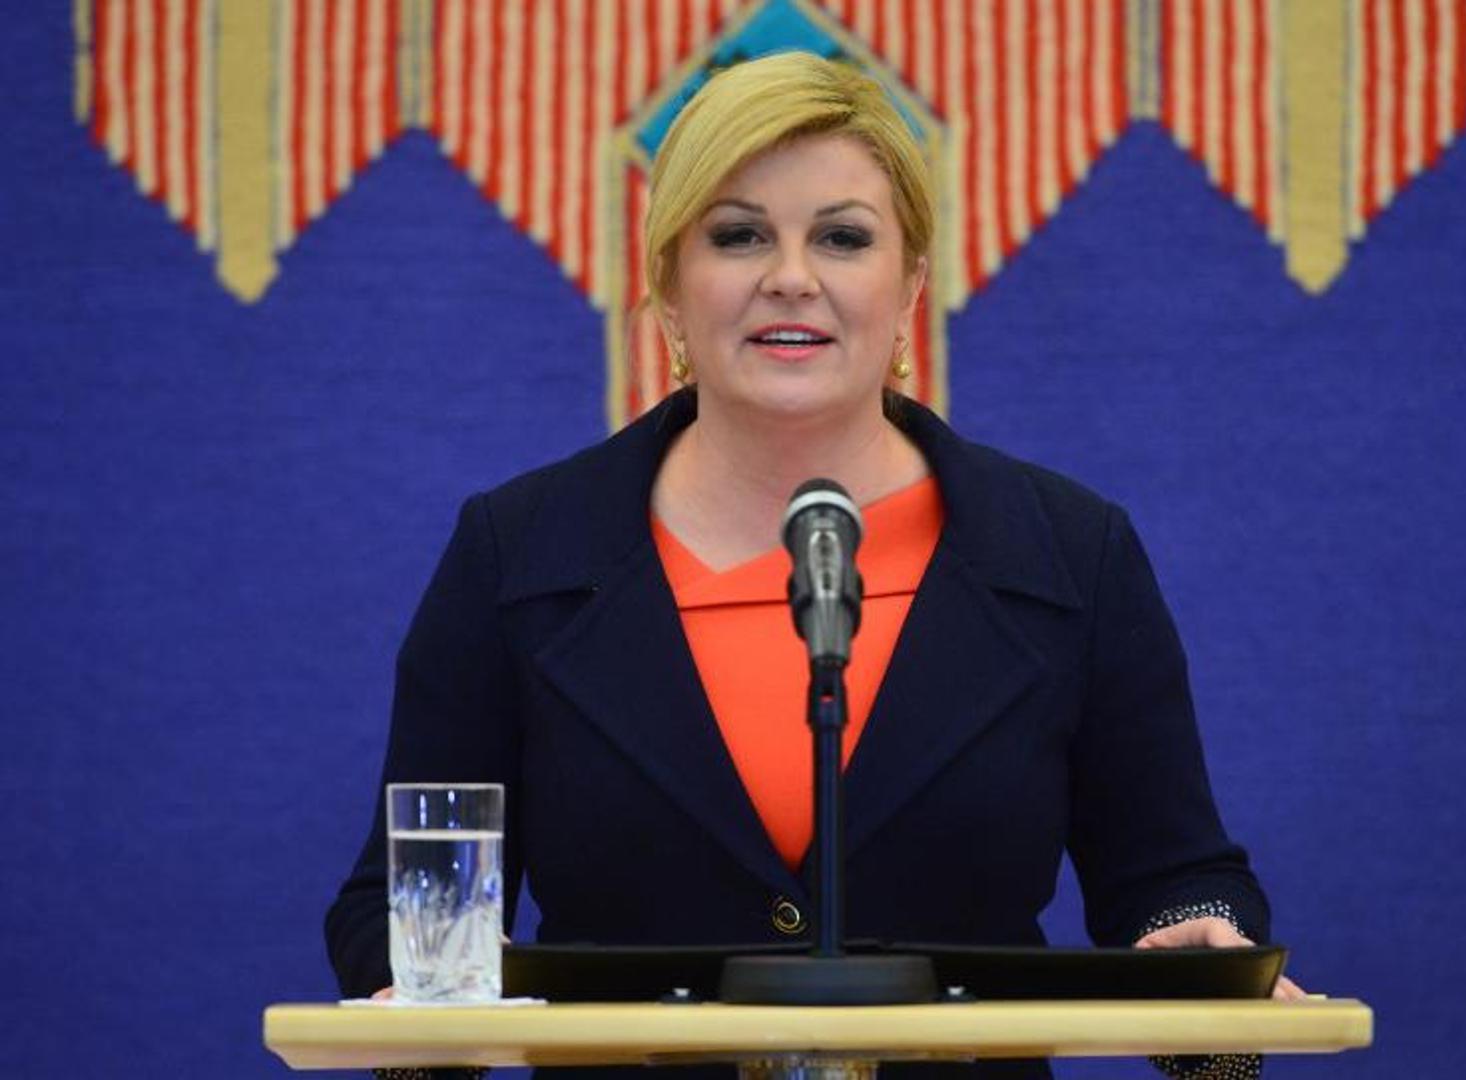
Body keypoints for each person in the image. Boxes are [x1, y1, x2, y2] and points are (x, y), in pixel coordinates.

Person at [326, 51, 1301, 1079]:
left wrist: (1204, 960)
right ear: (668, 287)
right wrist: (419, 1018)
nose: (790, 276)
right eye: (738, 235)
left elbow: (1176, 879)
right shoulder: (518, 552)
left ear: (909, 284)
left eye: (842, 237)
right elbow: (396, 905)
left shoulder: (1068, 553)